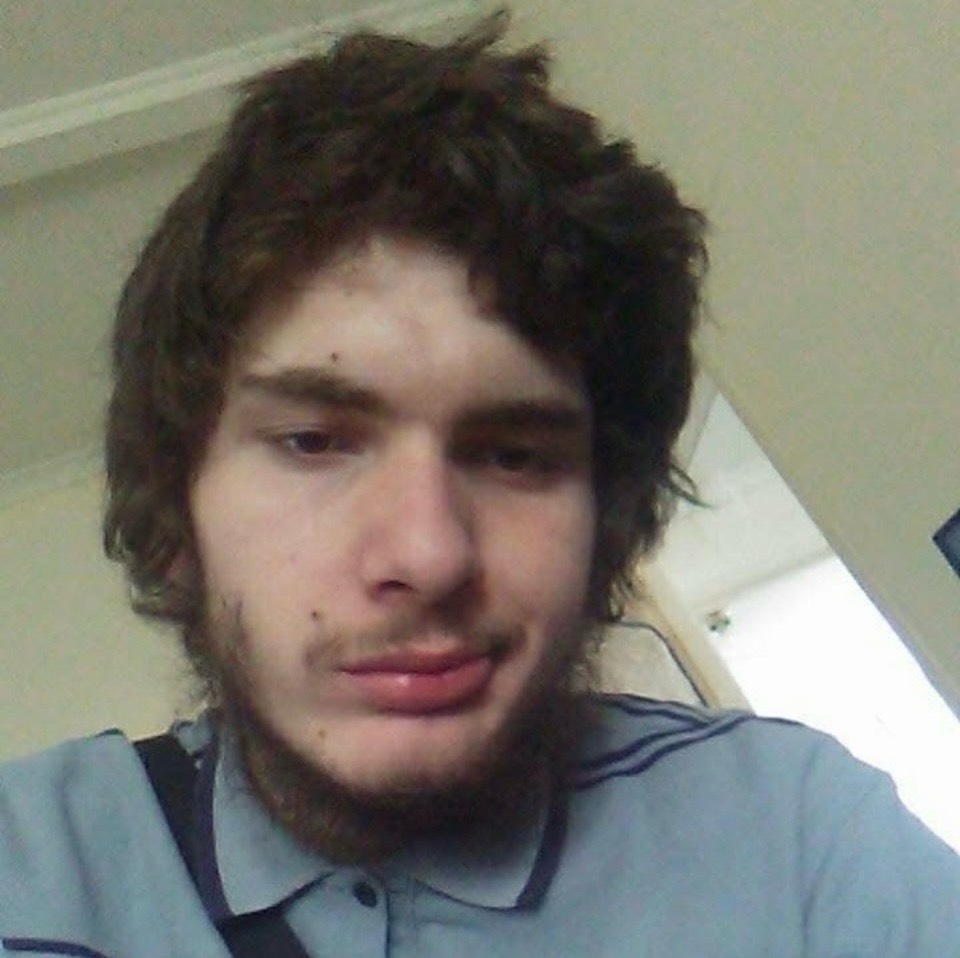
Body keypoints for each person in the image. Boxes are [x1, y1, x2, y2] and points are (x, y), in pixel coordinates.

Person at [1, 12, 957, 957]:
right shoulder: (30, 877)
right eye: (314, 441)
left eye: (515, 456)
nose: (429, 554)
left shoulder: (799, 841)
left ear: (606, 519)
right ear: (176, 513)